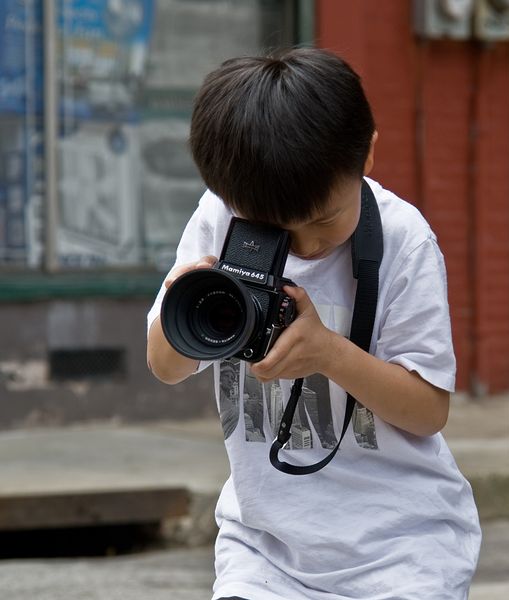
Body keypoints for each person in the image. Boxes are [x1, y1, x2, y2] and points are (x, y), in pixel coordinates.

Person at [146, 47, 481, 600]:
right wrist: (190, 304)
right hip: (264, 550)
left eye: (323, 221)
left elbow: (428, 411)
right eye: (273, 227)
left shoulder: (403, 240)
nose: (306, 244)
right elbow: (165, 365)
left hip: (401, 552)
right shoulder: (220, 216)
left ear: (367, 155)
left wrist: (329, 353)